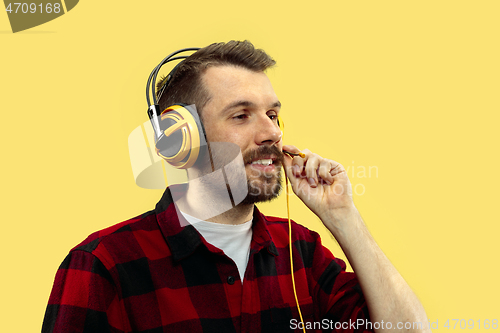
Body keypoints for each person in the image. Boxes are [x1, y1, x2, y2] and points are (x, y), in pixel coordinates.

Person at [42, 41, 430, 333]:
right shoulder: (104, 264)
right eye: (242, 115)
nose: (272, 133)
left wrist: (344, 217)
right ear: (178, 139)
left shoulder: (302, 253)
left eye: (274, 114)